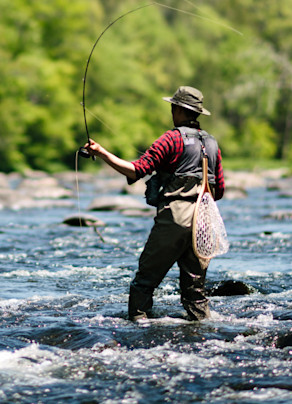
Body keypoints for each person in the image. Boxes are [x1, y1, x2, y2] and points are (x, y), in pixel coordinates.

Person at [85, 85, 225, 321]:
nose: (171, 110)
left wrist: (101, 153)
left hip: (174, 220)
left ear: (179, 110)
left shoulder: (171, 139)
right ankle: (204, 333)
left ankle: (139, 329)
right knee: (195, 293)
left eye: (173, 106)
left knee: (144, 281)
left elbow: (136, 170)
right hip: (203, 224)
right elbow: (219, 190)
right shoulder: (212, 144)